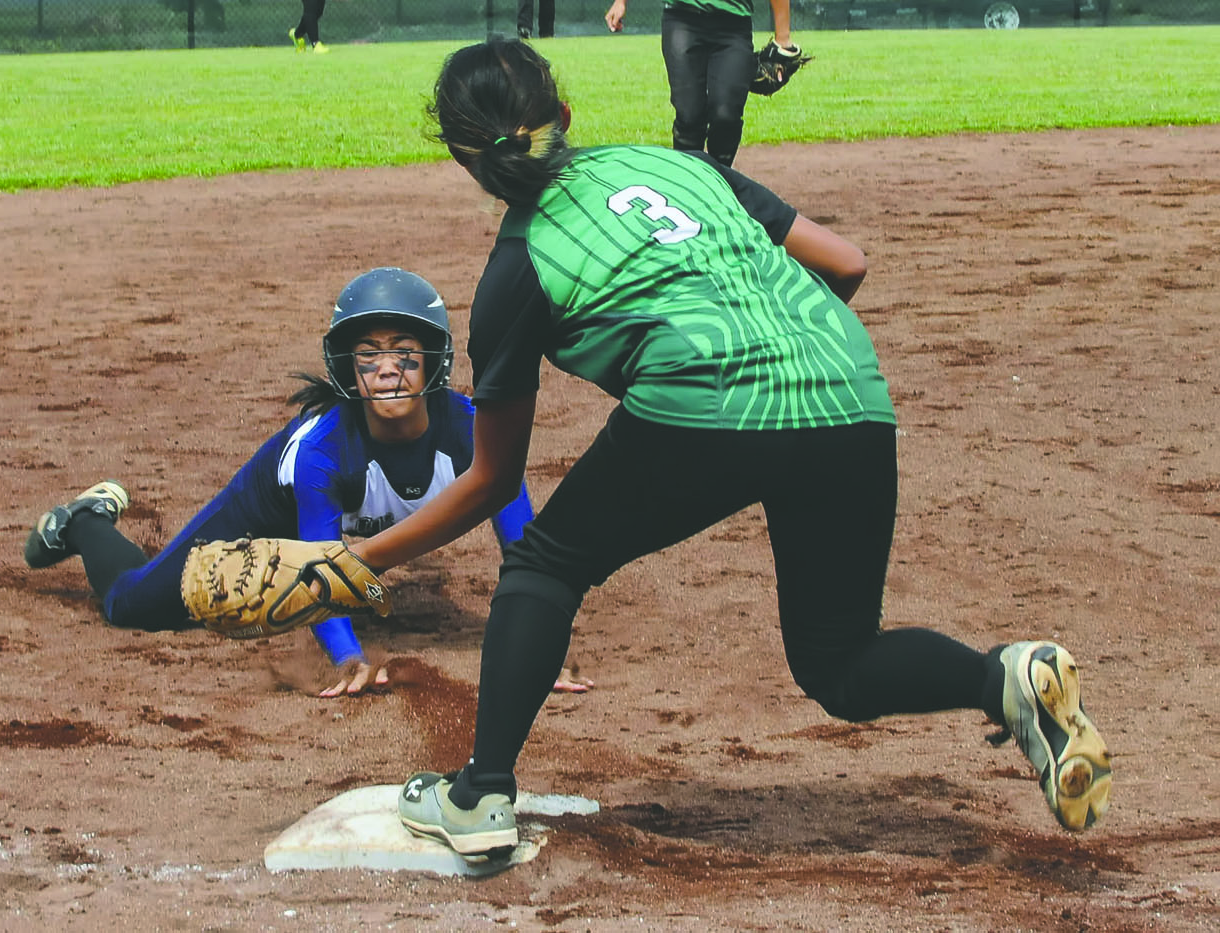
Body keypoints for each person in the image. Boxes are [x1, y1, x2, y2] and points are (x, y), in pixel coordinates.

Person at [337, 38, 1113, 857]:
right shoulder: (685, 169)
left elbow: (493, 481)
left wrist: (361, 563)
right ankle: (1003, 678)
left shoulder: (517, 267)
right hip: (847, 387)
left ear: (465, 159)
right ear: (563, 117)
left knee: (546, 564)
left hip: (705, 403)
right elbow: (845, 264)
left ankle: (481, 793)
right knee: (839, 663)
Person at [22, 267, 591, 698]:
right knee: (134, 605)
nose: (387, 369)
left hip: (354, 533)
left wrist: (542, 649)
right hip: (268, 509)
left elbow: (525, 548)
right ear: (347, 368)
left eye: (403, 353)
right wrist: (346, 658)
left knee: (365, 575)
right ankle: (87, 522)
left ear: (434, 360)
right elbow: (320, 565)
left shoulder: (472, 430)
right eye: (368, 356)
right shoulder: (323, 451)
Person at [604, 0, 800, 167]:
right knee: (689, 115)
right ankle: (688, 187)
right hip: (682, 20)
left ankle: (719, 183)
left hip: (733, 27)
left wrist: (783, 37)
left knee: (726, 116)